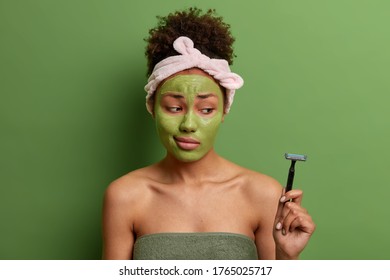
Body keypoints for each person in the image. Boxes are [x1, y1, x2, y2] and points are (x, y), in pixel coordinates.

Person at [102, 7, 315, 260]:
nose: (189, 124)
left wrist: (286, 257)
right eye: (174, 107)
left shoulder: (262, 193)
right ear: (152, 107)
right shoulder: (125, 196)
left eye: (206, 109)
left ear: (223, 110)